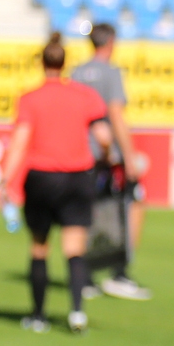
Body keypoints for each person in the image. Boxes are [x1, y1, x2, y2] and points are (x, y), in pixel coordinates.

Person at [0, 33, 111, 333]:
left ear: (42, 63)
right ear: (65, 63)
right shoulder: (84, 95)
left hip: (42, 179)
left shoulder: (30, 98)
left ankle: (38, 315)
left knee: (39, 247)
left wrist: (5, 180)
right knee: (74, 248)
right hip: (77, 178)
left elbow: (20, 142)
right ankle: (76, 313)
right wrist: (107, 158)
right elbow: (103, 137)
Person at [71, 23, 151, 301]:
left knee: (86, 214)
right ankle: (119, 272)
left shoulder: (77, 73)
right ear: (111, 42)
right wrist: (128, 156)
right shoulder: (111, 72)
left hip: (80, 155)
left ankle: (85, 277)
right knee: (132, 206)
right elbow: (115, 114)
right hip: (106, 156)